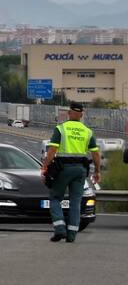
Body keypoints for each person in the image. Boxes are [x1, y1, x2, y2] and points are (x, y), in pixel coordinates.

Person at [42, 102, 100, 243]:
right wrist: (97, 171)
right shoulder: (87, 131)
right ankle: (72, 234)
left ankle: (60, 228)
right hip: (80, 170)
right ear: (81, 114)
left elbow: (52, 151)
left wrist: (45, 167)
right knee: (76, 202)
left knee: (55, 197)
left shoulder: (61, 129)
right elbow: (96, 154)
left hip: (63, 169)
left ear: (69, 113)